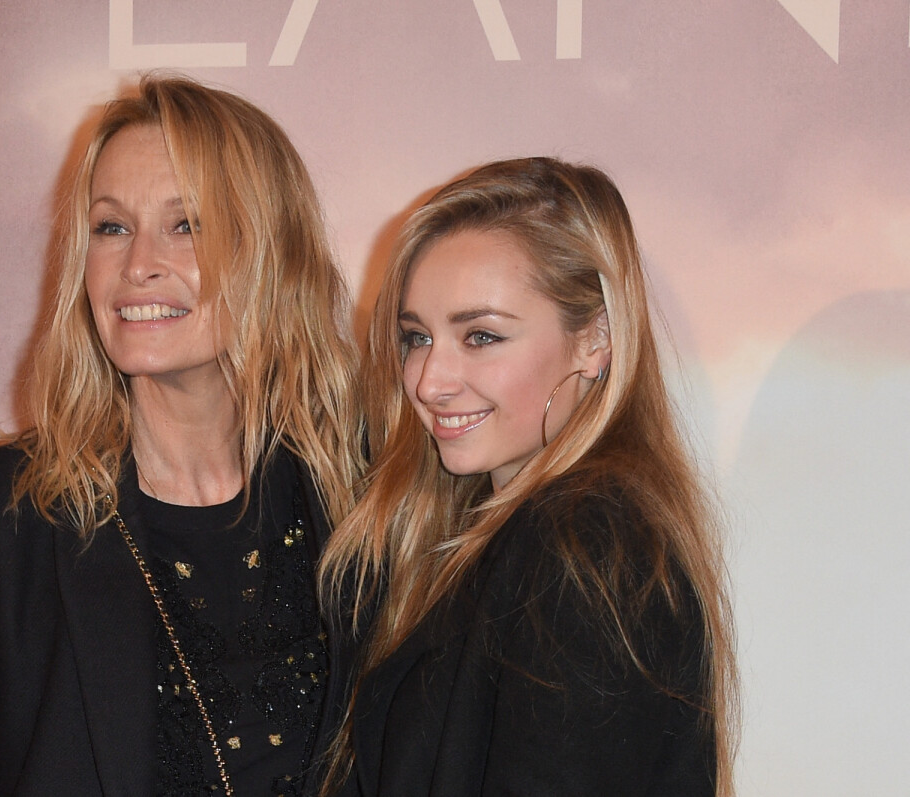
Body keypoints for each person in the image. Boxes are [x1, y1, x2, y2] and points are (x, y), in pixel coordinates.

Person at [0, 75, 364, 796]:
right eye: (112, 227)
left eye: (186, 223)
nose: (138, 265)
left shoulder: (363, 499)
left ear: (272, 252)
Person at [316, 158, 737, 796]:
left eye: (481, 336)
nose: (430, 381)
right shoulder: (502, 535)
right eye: (415, 338)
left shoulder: (586, 545)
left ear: (595, 338)